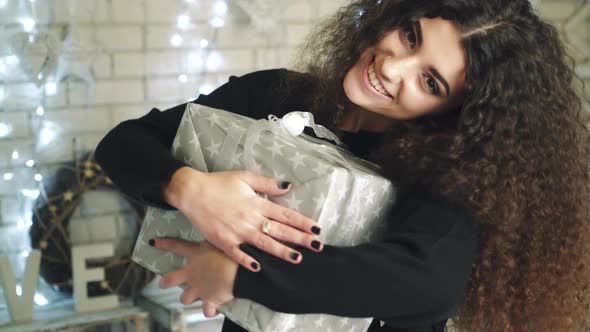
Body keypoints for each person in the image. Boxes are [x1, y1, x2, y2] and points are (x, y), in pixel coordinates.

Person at [95, 0, 590, 331]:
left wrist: (239, 275)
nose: (392, 68)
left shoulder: (447, 178)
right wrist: (192, 190)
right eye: (410, 35)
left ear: (455, 113)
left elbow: (428, 283)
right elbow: (124, 143)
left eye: (431, 83)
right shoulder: (274, 93)